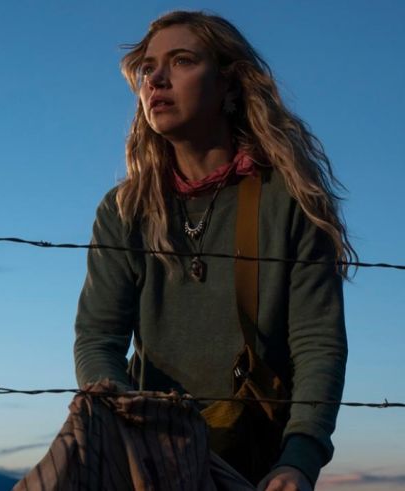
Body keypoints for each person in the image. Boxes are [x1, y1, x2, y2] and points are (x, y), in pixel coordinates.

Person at [73, 10, 354, 491]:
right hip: (149, 453)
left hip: (254, 458)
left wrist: (299, 459)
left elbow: (317, 344)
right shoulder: (125, 210)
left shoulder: (287, 200)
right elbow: (99, 338)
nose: (156, 78)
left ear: (229, 86)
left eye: (181, 61)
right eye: (147, 68)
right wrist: (125, 422)